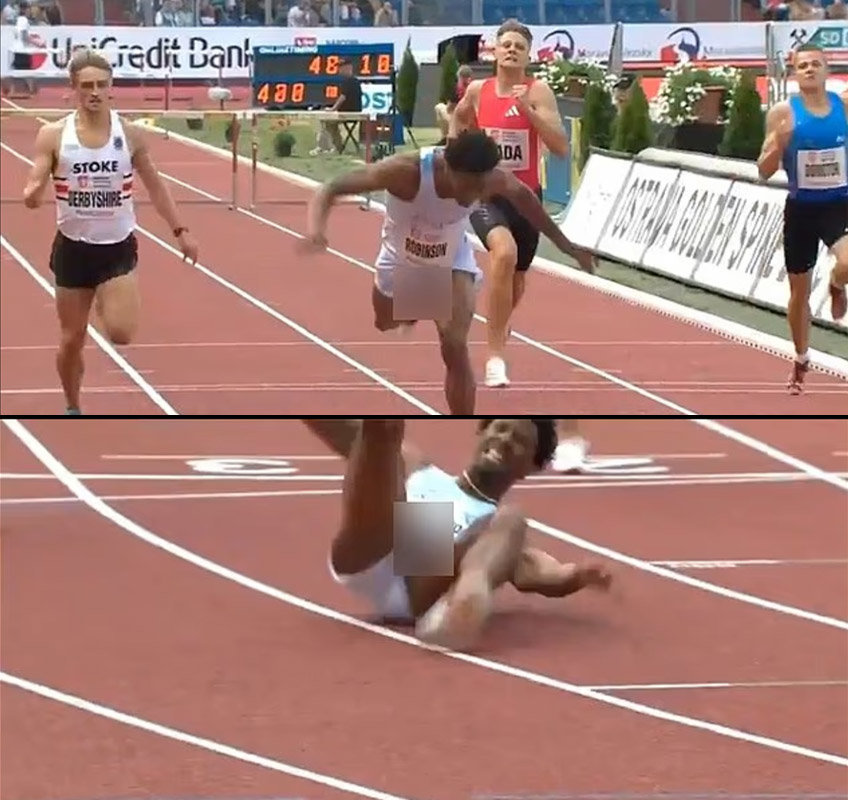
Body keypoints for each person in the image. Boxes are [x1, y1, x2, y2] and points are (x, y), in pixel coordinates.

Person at [305, 129, 594, 415]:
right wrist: (316, 230)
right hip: (402, 256)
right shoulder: (405, 172)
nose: (473, 196)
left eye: (480, 188)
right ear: (448, 168)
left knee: (454, 344)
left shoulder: (494, 179)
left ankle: (463, 423)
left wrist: (569, 248)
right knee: (385, 322)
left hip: (450, 255)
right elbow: (331, 187)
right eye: (468, 186)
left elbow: (530, 206)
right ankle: (415, 305)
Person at [302, 418, 613, 652]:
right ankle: (464, 600)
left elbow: (541, 571)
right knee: (385, 428)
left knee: (511, 519)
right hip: (369, 552)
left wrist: (577, 575)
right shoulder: (419, 468)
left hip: (421, 587)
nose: (505, 440)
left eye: (519, 440)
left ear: (531, 467)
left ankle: (464, 605)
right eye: (500, 428)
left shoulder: (496, 529)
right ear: (482, 432)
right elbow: (342, 431)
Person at [22, 48, 199, 415]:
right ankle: (73, 405)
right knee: (72, 339)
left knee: (121, 333)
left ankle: (108, 293)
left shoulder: (129, 134)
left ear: (111, 86)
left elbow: (155, 185)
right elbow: (33, 188)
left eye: (102, 85)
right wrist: (34, 192)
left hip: (116, 247)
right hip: (73, 249)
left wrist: (180, 230)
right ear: (73, 88)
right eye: (87, 85)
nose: (95, 92)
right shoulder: (53, 135)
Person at [449, 19, 577, 388]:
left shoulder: (539, 92)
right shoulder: (479, 90)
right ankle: (495, 357)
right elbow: (458, 118)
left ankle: (499, 324)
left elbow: (560, 147)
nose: (511, 50)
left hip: (526, 199)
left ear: (528, 56)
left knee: (516, 279)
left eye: (519, 47)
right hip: (488, 196)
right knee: (503, 254)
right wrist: (455, 156)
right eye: (506, 44)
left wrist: (528, 111)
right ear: (495, 51)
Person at [757, 42, 848, 394]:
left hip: (839, 203)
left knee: (847, 261)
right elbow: (763, 171)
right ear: (795, 74)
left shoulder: (843, 106)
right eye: (802, 65)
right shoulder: (783, 114)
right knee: (799, 293)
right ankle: (801, 356)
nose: (809, 69)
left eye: (815, 64)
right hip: (801, 210)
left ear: (827, 70)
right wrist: (780, 144)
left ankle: (837, 284)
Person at [435, 65, 474, 144]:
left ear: (459, 77)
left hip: (458, 120)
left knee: (439, 107)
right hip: (471, 120)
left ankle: (445, 137)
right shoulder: (474, 87)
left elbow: (449, 109)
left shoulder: (458, 89)